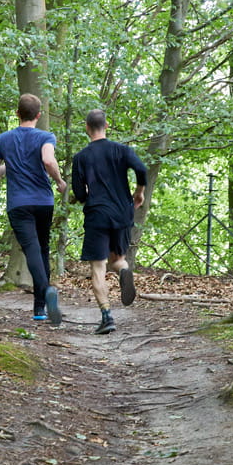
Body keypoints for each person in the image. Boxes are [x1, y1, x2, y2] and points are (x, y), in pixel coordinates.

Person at [0, 93, 67, 325]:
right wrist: (60, 182)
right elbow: (48, 161)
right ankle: (40, 308)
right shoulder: (46, 136)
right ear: (38, 115)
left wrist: (8, 165)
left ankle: (46, 292)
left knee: (32, 249)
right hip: (44, 200)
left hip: (19, 203)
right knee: (42, 248)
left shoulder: (3, 139)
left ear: (17, 113)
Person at [70, 109, 147, 334]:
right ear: (107, 126)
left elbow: (79, 193)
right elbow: (141, 169)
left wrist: (87, 196)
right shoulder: (121, 150)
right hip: (122, 212)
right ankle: (124, 270)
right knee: (118, 260)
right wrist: (139, 192)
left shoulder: (81, 157)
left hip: (97, 214)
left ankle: (107, 316)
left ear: (87, 127)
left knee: (98, 267)